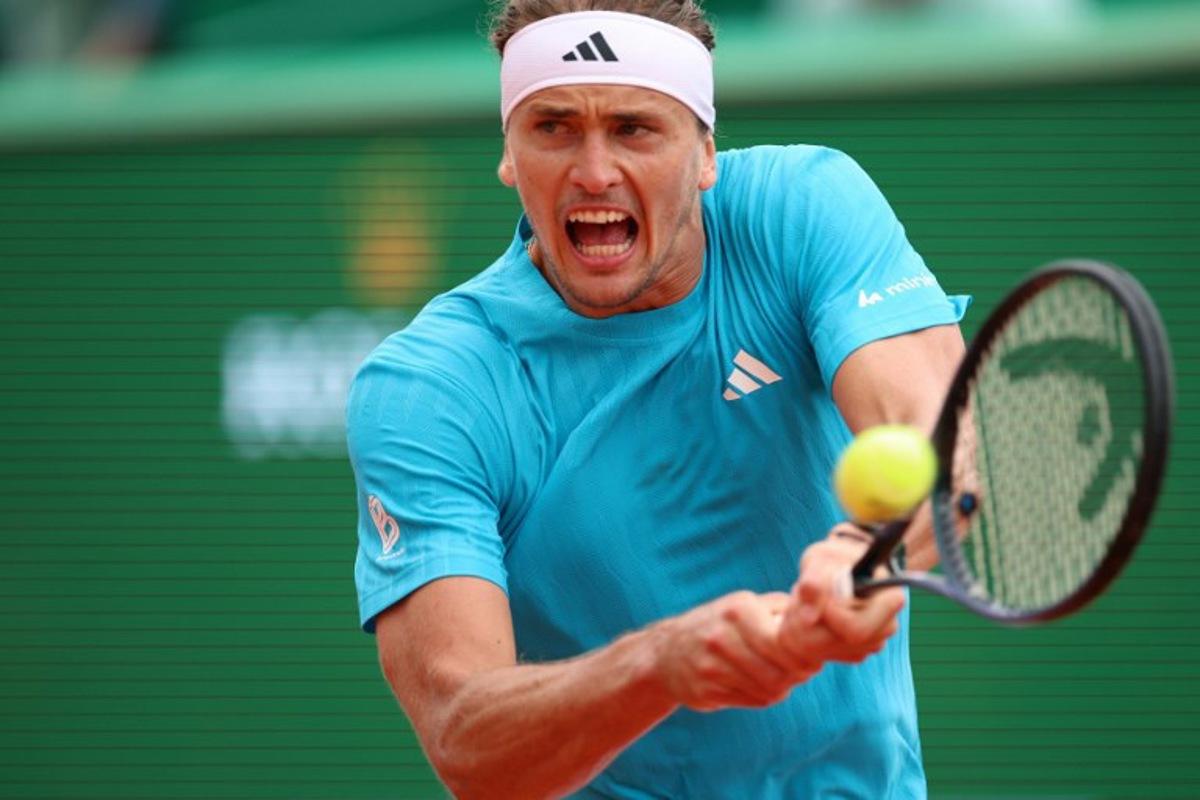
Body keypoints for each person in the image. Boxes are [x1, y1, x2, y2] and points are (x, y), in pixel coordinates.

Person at [347, 1, 968, 797]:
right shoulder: (431, 388)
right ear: (508, 154)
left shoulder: (803, 207)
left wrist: (866, 552)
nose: (595, 172)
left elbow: (940, 444)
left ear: (705, 153)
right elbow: (466, 740)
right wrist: (660, 664)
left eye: (635, 128)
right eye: (554, 127)